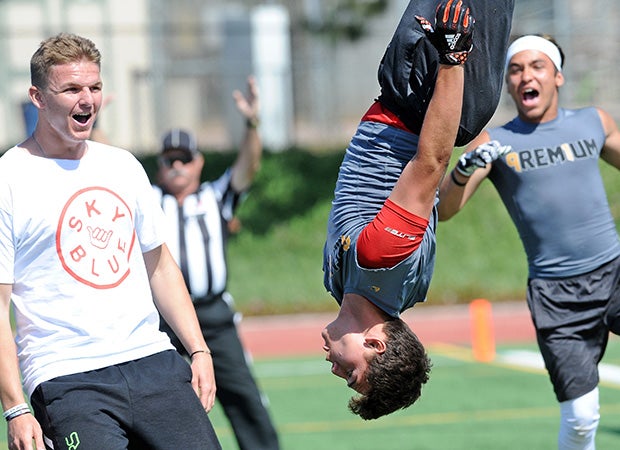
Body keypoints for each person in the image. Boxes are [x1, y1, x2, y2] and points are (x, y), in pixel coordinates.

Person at [0, 33, 221, 449]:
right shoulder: (9, 178)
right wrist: (15, 407)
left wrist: (198, 350)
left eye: (94, 87)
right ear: (38, 97)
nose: (87, 100)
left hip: (152, 361)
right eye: (71, 89)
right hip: (66, 377)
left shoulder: (123, 166)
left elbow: (160, 265)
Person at [321, 0, 514, 420]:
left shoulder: (358, 289)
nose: (333, 367)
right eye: (349, 373)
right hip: (430, 90)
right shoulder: (380, 262)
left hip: (417, 94)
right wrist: (453, 56)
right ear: (375, 344)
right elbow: (429, 164)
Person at [437, 34, 620, 449]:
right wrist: (463, 171)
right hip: (557, 297)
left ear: (558, 77)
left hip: (614, 272)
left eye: (537, 66)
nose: (525, 77)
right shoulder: (495, 143)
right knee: (580, 419)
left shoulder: (594, 122)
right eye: (516, 70)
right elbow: (445, 210)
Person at [153, 76, 280, 450]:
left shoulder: (215, 196)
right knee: (164, 408)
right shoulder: (146, 201)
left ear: (198, 162)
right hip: (164, 320)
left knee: (245, 400)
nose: (177, 166)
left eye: (184, 159)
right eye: (169, 160)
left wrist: (253, 124)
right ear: (160, 166)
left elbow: (247, 167)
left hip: (214, 317)